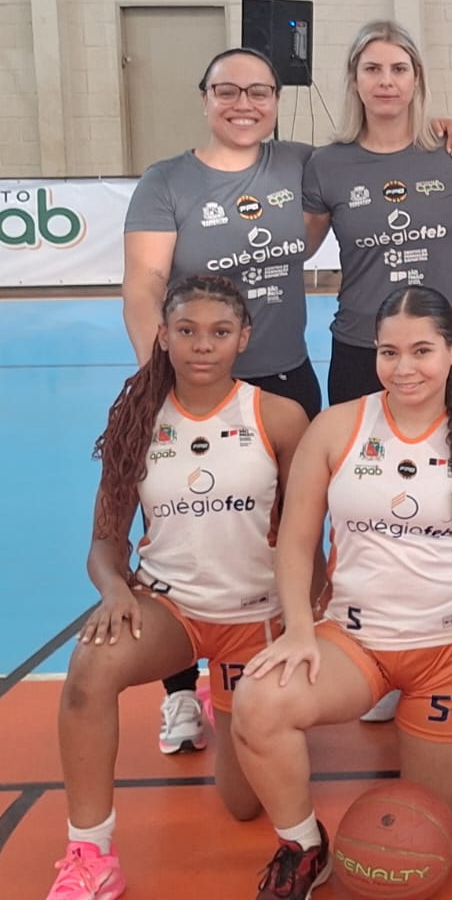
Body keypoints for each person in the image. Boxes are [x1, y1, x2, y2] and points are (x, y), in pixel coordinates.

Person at [122, 49, 452, 746]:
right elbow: (142, 283)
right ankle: (181, 688)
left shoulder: (303, 164)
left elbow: (382, 157)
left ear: (278, 99)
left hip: (284, 374)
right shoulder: (168, 182)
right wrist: (159, 374)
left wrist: (445, 132)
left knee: (283, 520)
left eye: (258, 92)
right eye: (227, 90)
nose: (242, 103)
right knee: (187, 521)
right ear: (205, 96)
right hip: (195, 379)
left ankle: (281, 655)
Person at [231, 286, 452, 900]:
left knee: (437, 818)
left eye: (421, 350)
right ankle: (303, 844)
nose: (404, 367)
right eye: (390, 352)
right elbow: (296, 541)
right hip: (353, 641)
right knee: (258, 703)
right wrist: (300, 632)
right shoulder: (338, 427)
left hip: (450, 650)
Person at [44, 276, 308, 900]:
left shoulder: (278, 417)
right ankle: (90, 853)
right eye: (186, 331)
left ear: (243, 338)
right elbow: (106, 539)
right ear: (162, 335)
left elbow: (305, 538)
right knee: (89, 666)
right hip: (171, 609)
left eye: (219, 332)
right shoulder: (138, 419)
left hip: (257, 619)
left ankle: (229, 703)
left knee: (242, 805)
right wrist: (114, 591)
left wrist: (305, 621)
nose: (201, 346)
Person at [304, 21, 452, 413]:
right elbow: (297, 249)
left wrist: (442, 271)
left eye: (399, 69)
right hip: (362, 346)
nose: (386, 81)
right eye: (372, 69)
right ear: (354, 79)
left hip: (447, 341)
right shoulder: (326, 164)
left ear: (416, 78)